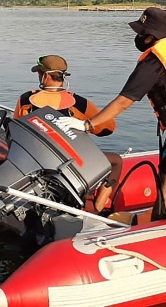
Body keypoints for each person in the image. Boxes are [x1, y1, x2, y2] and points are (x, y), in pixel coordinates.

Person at [58, 8, 166, 220]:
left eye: (141, 33)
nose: (138, 37)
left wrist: (87, 125)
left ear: (151, 36)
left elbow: (124, 101)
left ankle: (163, 237)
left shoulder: (154, 61)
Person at [14, 55, 120, 212]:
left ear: (46, 76)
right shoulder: (80, 103)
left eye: (39, 73)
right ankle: (99, 204)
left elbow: (16, 130)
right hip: (71, 163)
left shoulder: (25, 100)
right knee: (117, 161)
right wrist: (86, 126)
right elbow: (108, 129)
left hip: (36, 161)